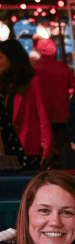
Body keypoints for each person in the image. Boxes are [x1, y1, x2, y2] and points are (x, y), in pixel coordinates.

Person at [0, 39, 52, 170]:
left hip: (28, 148)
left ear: (12, 57)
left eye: (0, 57)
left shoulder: (33, 82)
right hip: (5, 148)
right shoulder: (4, 84)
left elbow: (44, 117)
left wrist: (46, 149)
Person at [33, 39, 75, 167]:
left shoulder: (34, 68)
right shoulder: (63, 68)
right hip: (62, 115)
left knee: (45, 151)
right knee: (63, 150)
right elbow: (73, 89)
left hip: (41, 118)